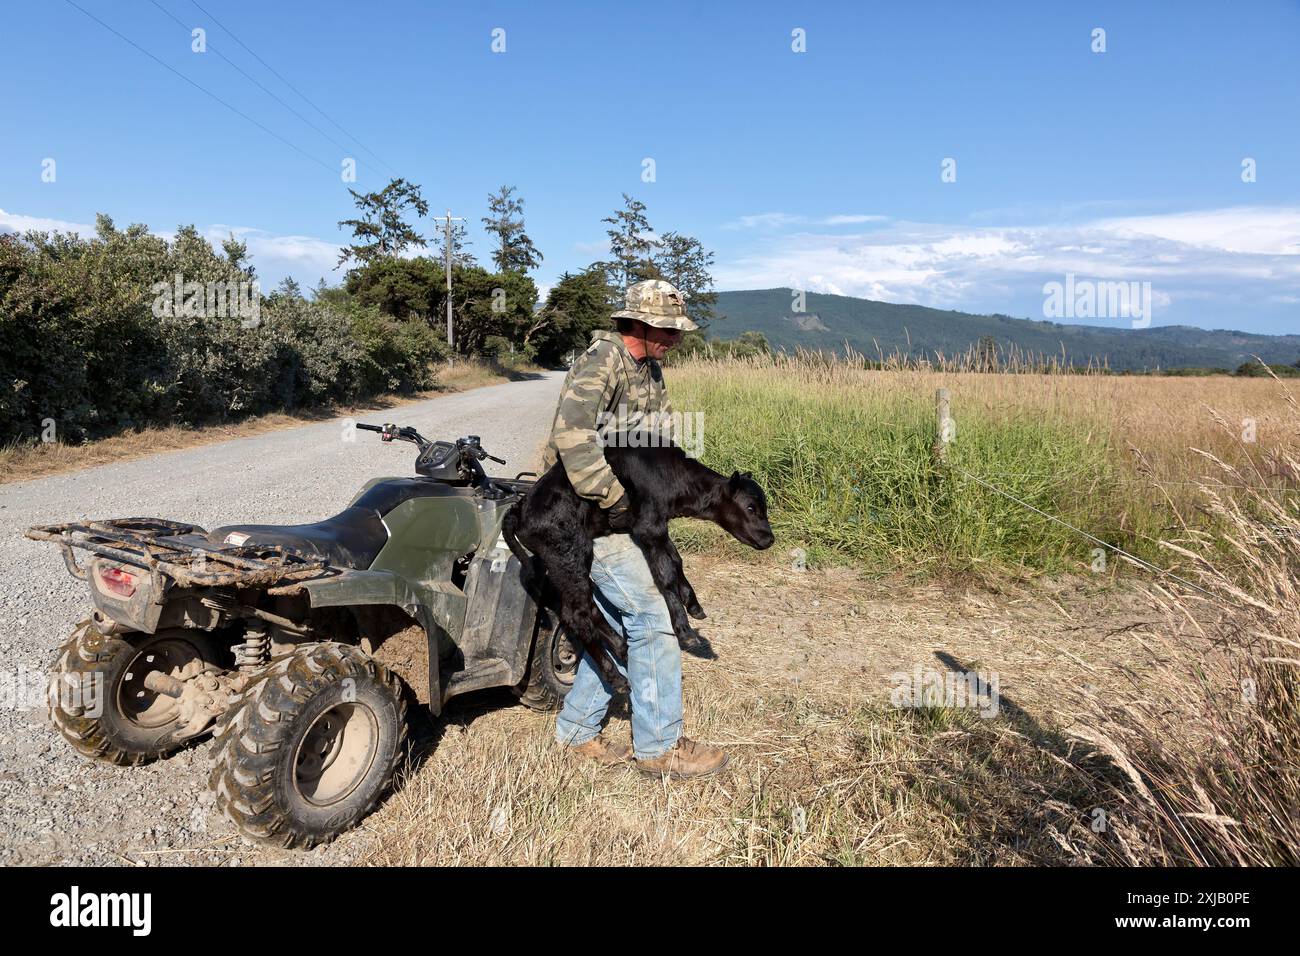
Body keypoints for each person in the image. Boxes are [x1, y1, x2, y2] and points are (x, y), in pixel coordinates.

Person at [544, 279, 728, 779]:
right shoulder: (603, 360)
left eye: (676, 331)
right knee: (653, 616)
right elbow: (572, 437)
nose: (674, 338)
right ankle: (659, 747)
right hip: (584, 514)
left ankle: (577, 730)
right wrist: (619, 499)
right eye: (666, 329)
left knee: (625, 618)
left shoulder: (649, 367)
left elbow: (657, 442)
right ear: (638, 324)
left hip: (617, 516)